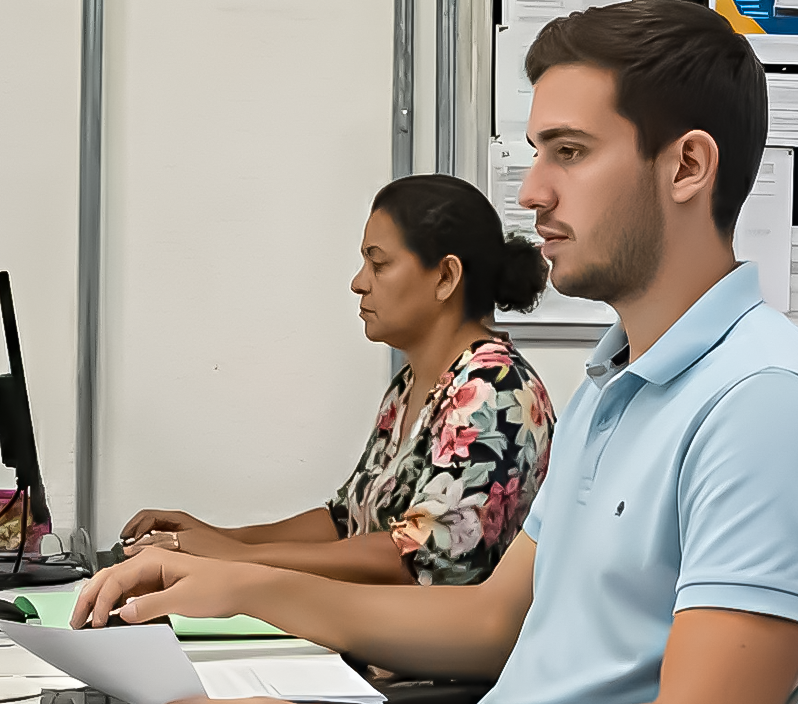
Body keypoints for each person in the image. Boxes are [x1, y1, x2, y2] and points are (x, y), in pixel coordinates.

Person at [75, 0, 798, 704]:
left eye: (569, 151)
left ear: (687, 166)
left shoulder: (764, 407)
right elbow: (494, 623)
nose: (531, 191)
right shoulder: (615, 386)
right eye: (537, 152)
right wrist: (238, 587)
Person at [118, 174, 556, 587]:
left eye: (378, 264)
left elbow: (414, 559)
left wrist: (231, 557)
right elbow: (346, 521)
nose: (358, 283)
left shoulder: (494, 392)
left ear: (445, 277)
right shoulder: (409, 387)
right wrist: (217, 538)